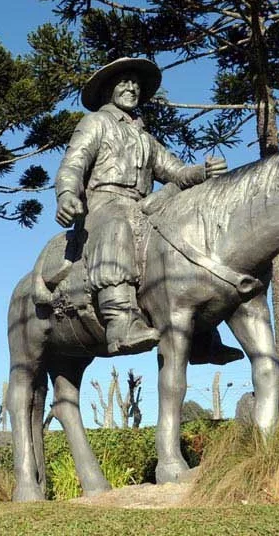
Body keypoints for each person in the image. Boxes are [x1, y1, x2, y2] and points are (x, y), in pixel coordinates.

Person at [55, 57, 230, 356]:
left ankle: (201, 331)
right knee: (117, 223)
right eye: (124, 82)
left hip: (143, 205)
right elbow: (73, 164)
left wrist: (203, 171)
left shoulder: (146, 138)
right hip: (104, 204)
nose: (131, 88)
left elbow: (174, 171)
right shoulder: (95, 123)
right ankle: (120, 319)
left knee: (180, 231)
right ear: (109, 88)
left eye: (135, 83)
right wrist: (67, 195)